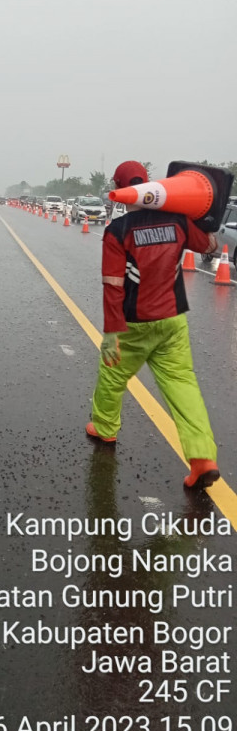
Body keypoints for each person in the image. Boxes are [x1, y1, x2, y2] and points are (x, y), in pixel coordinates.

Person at [86, 160, 220, 491]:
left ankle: (105, 428)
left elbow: (113, 284)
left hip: (134, 324)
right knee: (182, 385)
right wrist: (205, 217)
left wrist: (111, 333)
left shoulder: (118, 231)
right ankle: (202, 458)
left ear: (121, 192)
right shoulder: (178, 222)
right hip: (173, 322)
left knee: (113, 374)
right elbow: (211, 246)